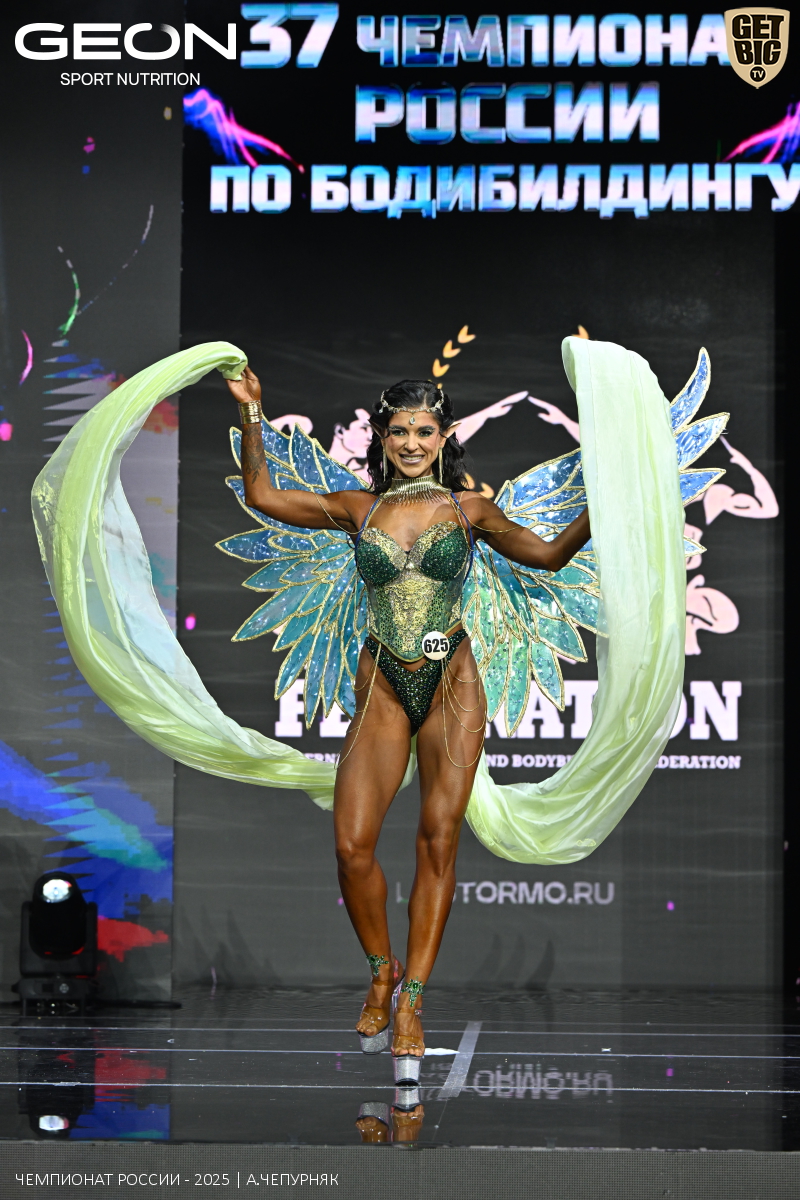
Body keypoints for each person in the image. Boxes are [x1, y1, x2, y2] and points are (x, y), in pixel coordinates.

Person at [225, 368, 590, 1082]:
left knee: (437, 841)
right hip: (384, 688)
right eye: (400, 431)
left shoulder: (470, 510)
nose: (413, 443)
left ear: (445, 436)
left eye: (426, 431)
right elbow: (263, 496)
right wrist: (253, 413)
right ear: (383, 437)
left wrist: (599, 508)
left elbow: (548, 557)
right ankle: (381, 971)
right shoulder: (357, 509)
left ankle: (413, 999)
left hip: (453, 683)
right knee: (351, 846)